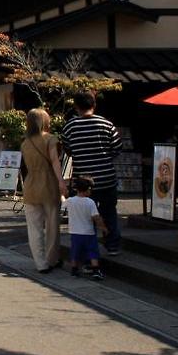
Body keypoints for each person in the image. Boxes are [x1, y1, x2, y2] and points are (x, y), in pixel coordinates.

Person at [61, 91, 123, 255]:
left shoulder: (70, 126)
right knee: (109, 212)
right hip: (107, 178)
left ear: (76, 107)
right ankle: (113, 245)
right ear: (94, 105)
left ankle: (90, 252)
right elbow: (117, 148)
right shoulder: (106, 124)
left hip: (83, 181)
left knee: (85, 217)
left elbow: (67, 149)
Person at [20, 108, 65, 273]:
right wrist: (61, 182)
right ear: (44, 121)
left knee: (34, 227)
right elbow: (55, 162)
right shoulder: (51, 139)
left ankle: (40, 263)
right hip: (49, 184)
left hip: (30, 184)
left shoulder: (25, 143)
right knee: (52, 225)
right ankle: (51, 259)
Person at [66, 178, 107, 280]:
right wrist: (103, 227)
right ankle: (96, 270)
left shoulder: (70, 201)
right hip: (88, 232)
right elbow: (96, 217)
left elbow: (63, 203)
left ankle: (74, 269)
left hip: (75, 232)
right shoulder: (90, 202)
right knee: (92, 251)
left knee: (75, 251)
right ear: (87, 190)